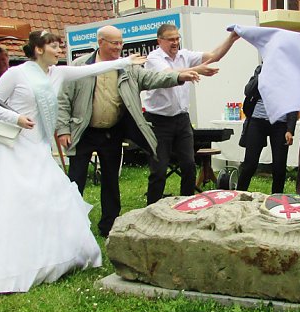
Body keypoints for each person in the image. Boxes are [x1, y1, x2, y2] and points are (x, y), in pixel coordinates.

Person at [0, 31, 176, 294]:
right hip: (14, 147)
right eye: (53, 46)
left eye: (60, 46)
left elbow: (92, 69)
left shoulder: (57, 74)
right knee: (13, 201)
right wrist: (16, 118)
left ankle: (50, 255)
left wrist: (124, 63)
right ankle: (10, 257)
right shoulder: (17, 74)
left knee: (50, 197)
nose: (59, 50)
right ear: (38, 49)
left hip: (38, 147)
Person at [57, 26, 200, 238]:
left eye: (120, 43)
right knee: (76, 180)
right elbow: (63, 100)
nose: (118, 47)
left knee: (111, 182)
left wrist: (179, 77)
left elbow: (151, 79)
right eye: (114, 43)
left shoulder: (127, 67)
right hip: (83, 131)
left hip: (111, 132)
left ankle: (109, 226)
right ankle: (69, 226)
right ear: (101, 42)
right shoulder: (80, 66)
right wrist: (62, 129)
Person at [142, 24, 240, 203]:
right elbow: (168, 74)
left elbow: (213, 56)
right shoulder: (153, 58)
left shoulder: (184, 55)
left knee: (188, 165)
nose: (175, 42)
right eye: (171, 39)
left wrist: (231, 39)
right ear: (160, 41)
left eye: (177, 38)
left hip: (181, 120)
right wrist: (197, 70)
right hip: (158, 122)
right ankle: (152, 209)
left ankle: (187, 206)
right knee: (159, 169)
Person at [236, 64, 298, 194]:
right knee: (250, 164)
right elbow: (248, 91)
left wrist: (290, 130)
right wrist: (262, 74)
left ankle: (277, 198)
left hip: (280, 124)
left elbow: (293, 104)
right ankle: (239, 194)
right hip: (257, 122)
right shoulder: (260, 70)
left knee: (279, 167)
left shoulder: (289, 75)